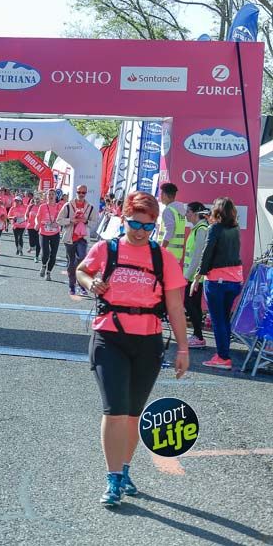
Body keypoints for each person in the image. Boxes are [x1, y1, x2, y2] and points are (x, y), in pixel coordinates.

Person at [76, 191, 189, 507]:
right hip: (109, 337)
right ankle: (112, 478)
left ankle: (124, 471)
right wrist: (90, 283)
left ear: (155, 226)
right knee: (115, 409)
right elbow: (82, 270)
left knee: (133, 414)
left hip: (147, 341)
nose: (139, 230)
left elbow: (176, 307)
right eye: (134, 223)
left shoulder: (162, 259)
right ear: (123, 218)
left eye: (147, 226)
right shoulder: (107, 248)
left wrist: (183, 349)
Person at [194, 197, 243, 370]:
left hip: (217, 280)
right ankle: (223, 354)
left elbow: (207, 253)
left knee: (218, 320)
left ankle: (223, 357)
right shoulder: (235, 229)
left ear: (217, 211)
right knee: (224, 319)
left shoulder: (214, 228)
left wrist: (198, 277)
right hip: (235, 281)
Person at [58, 185, 97, 296]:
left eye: (83, 193)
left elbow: (94, 222)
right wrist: (71, 220)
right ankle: (72, 286)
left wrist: (85, 221)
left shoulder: (90, 207)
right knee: (71, 263)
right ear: (76, 192)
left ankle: (82, 286)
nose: (81, 194)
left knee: (81, 261)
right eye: (79, 192)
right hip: (69, 238)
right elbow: (59, 220)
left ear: (86, 193)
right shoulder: (68, 205)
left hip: (82, 238)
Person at [181, 202, 210, 349]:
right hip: (194, 276)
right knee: (193, 305)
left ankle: (198, 336)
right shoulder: (198, 228)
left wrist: (187, 276)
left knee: (190, 304)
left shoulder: (201, 229)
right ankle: (197, 335)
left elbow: (198, 256)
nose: (186, 214)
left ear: (195, 213)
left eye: (188, 211)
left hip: (195, 277)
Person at [36, 189, 63, 281]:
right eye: (49, 195)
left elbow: (63, 219)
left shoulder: (60, 207)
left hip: (55, 233)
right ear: (46, 196)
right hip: (44, 232)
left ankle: (48, 273)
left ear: (55, 196)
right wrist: (37, 224)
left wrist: (58, 223)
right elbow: (38, 217)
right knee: (45, 253)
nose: (51, 196)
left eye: (53, 194)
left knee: (53, 255)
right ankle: (43, 265)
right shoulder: (42, 206)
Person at [157, 182, 186, 264]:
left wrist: (161, 249)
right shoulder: (179, 210)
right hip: (176, 253)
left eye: (161, 194)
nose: (160, 197)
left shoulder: (168, 211)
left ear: (165, 195)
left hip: (167, 253)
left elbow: (169, 230)